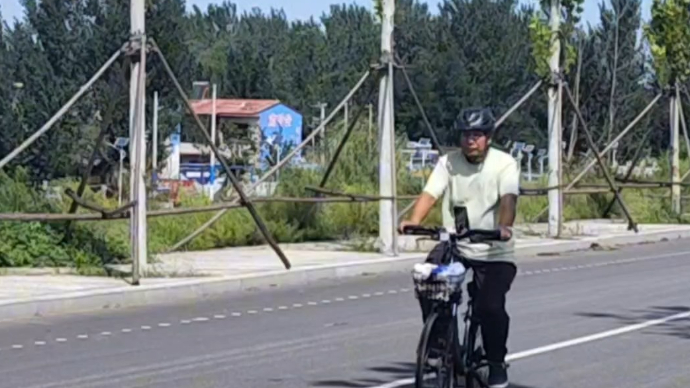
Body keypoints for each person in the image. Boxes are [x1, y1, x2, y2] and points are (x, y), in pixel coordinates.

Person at [400, 107, 519, 388]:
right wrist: (413, 221)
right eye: (466, 135)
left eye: (477, 135)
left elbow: (508, 199)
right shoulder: (448, 163)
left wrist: (504, 227)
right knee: (428, 278)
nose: (470, 141)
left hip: (493, 249)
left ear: (488, 138)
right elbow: (430, 193)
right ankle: (439, 343)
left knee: (489, 306)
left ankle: (495, 362)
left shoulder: (504, 164)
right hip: (456, 244)